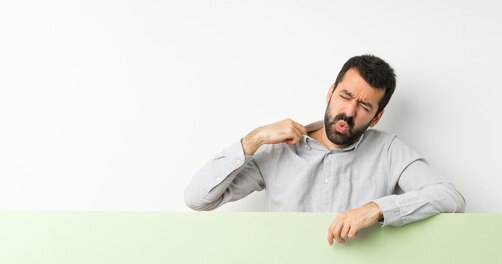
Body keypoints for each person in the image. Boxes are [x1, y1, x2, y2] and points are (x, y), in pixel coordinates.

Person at [184, 54, 466, 246]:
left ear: (377, 117)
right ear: (330, 92)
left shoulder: (388, 150)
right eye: (345, 96)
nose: (349, 112)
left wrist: (376, 209)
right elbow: (198, 199)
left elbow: (451, 198)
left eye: (365, 106)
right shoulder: (278, 150)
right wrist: (253, 139)